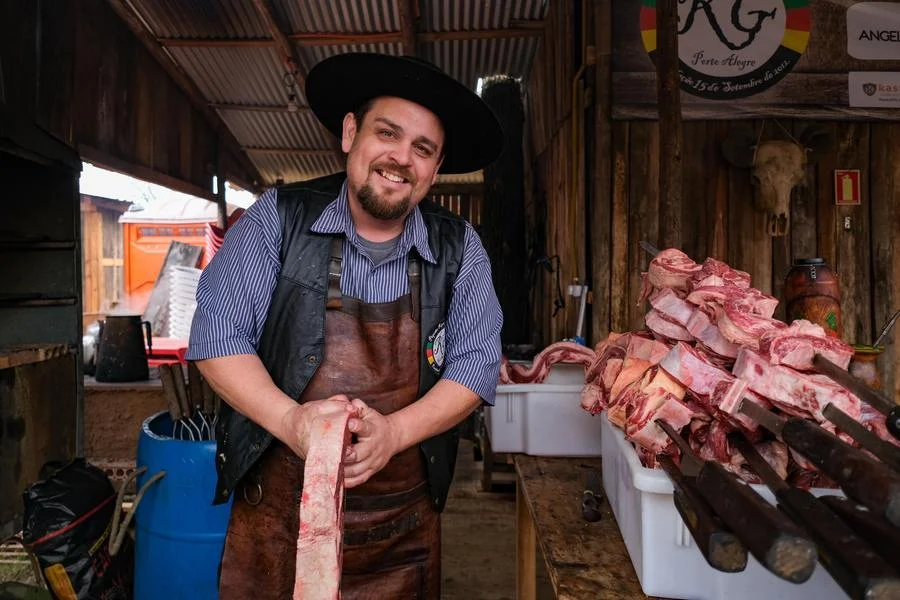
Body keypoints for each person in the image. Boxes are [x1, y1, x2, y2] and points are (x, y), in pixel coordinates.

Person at [186, 52, 505, 599]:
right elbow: (218, 339)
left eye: (423, 149)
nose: (401, 158)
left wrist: (395, 434)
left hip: (403, 537)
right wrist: (293, 423)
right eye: (388, 133)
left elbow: (475, 369)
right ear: (351, 133)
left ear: (436, 165)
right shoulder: (278, 218)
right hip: (276, 531)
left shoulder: (461, 249)